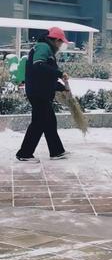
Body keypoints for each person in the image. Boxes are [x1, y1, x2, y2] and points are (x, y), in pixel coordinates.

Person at [16, 27, 70, 163]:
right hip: (39, 93)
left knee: (50, 122)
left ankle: (57, 151)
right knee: (38, 123)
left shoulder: (46, 49)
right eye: (60, 42)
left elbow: (44, 76)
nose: (60, 45)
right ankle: (25, 153)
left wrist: (60, 87)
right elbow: (38, 65)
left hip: (41, 92)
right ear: (56, 40)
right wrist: (59, 73)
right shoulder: (43, 47)